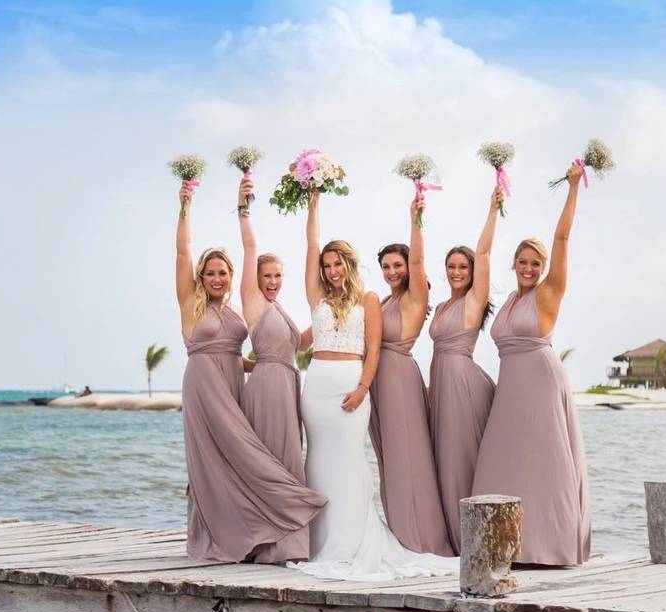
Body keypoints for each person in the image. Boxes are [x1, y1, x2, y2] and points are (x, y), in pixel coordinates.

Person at [291, 191, 457, 581]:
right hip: (315, 388)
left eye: (338, 264)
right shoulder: (316, 297)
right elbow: (311, 243)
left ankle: (351, 542)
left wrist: (364, 387)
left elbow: (375, 349)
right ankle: (320, 542)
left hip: (352, 385)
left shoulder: (368, 300)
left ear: (350, 265)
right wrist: (313, 200)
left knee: (350, 462)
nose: (332, 271)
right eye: (327, 265)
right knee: (317, 461)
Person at [175, 178, 326, 562]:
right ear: (201, 277)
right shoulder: (191, 303)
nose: (217, 278)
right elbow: (183, 252)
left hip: (236, 383)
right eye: (210, 273)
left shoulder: (239, 312)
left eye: (222, 273)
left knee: (240, 458)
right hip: (204, 387)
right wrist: (187, 206)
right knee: (221, 459)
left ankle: (257, 533)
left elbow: (245, 353)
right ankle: (222, 532)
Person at [471, 163, 591, 565]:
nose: (529, 268)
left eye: (535, 264)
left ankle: (549, 548)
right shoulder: (508, 301)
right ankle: (503, 544)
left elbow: (562, 237)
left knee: (545, 462)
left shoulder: (548, 294)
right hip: (511, 389)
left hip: (540, 381)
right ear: (514, 264)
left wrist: (573, 187)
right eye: (523, 262)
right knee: (499, 459)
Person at [233, 174, 314, 562]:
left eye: (278, 276)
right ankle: (266, 543)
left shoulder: (280, 309)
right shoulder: (253, 301)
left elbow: (301, 342)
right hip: (266, 387)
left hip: (287, 386)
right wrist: (244, 207)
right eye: (267, 275)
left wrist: (342, 318)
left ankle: (288, 542)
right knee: (269, 463)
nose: (273, 281)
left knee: (287, 459)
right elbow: (250, 247)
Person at [368, 193, 452, 556]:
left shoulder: (415, 295)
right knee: (391, 460)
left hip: (399, 379)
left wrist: (415, 219)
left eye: (396, 265)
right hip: (379, 382)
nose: (392, 272)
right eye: (386, 267)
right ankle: (402, 530)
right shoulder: (386, 301)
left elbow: (418, 258)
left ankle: (421, 539)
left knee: (408, 459)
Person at [427, 186, 500, 553]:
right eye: (452, 267)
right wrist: (428, 387)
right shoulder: (440, 306)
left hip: (462, 382)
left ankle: (471, 541)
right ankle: (454, 536)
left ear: (472, 272)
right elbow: (433, 352)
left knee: (460, 458)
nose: (457, 272)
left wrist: (493, 208)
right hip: (440, 383)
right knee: (443, 458)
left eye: (463, 267)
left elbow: (484, 252)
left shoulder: (474, 301)